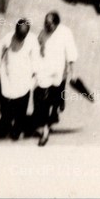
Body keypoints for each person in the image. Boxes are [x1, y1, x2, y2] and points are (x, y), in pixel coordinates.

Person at [32, 11, 77, 147]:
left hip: (59, 72)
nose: (46, 26)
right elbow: (38, 45)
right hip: (44, 73)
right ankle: (45, 131)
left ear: (56, 24)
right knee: (43, 100)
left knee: (57, 95)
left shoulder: (65, 33)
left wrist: (72, 72)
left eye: (49, 24)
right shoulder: (43, 32)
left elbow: (71, 53)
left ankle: (57, 107)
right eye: (45, 23)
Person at [0, 19, 36, 140]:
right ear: (15, 30)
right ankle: (5, 125)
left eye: (23, 35)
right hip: (8, 76)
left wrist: (34, 76)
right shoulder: (7, 38)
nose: (21, 37)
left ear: (27, 33)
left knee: (21, 106)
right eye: (19, 34)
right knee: (5, 104)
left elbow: (36, 60)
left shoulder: (32, 40)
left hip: (24, 77)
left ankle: (17, 129)